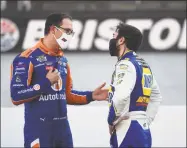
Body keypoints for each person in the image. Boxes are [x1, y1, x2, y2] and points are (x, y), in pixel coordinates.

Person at [10, 13, 108, 148]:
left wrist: (91, 96)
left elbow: (67, 95)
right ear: (53, 29)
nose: (70, 35)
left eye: (72, 32)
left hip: (63, 133)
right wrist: (45, 83)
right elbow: (16, 96)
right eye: (67, 31)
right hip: (39, 132)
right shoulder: (26, 58)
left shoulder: (63, 60)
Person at [107, 22, 162, 148]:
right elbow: (156, 97)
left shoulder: (125, 64)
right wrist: (145, 120)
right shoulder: (144, 65)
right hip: (143, 129)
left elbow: (121, 97)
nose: (112, 40)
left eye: (114, 36)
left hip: (126, 128)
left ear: (121, 40)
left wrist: (111, 121)